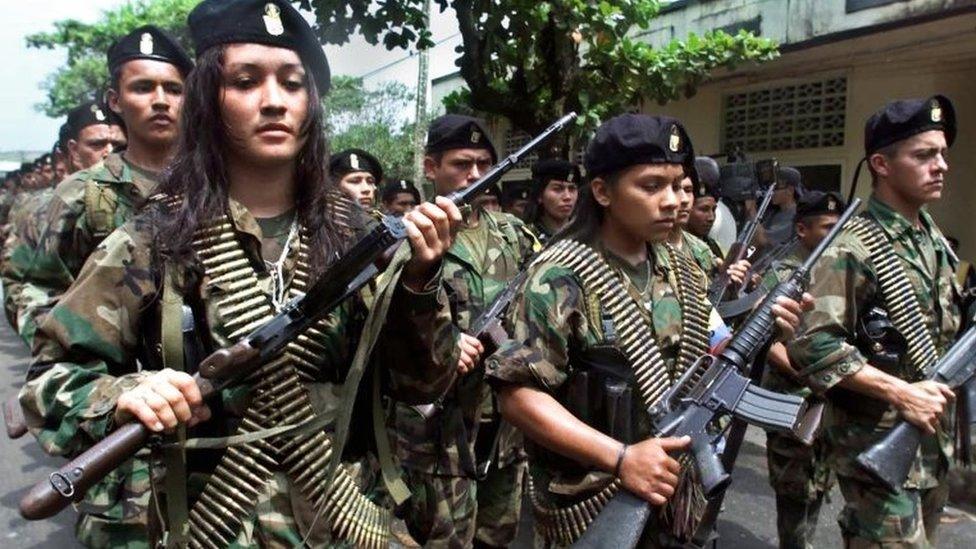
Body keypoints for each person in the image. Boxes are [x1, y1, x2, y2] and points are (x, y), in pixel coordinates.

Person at [20, 0, 463, 546]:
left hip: (346, 522)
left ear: (312, 104)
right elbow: (50, 380)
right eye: (246, 81)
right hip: (214, 524)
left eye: (293, 83)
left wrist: (421, 283)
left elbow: (425, 384)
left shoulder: (365, 237)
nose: (274, 101)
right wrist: (129, 392)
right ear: (209, 99)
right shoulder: (155, 239)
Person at [485, 113, 809, 546]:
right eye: (651, 186)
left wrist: (768, 331)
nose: (673, 200)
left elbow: (704, 357)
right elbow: (518, 396)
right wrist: (621, 458)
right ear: (602, 191)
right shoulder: (560, 276)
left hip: (673, 497)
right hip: (593, 506)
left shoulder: (682, 269)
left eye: (677, 184)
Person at [789, 95, 962, 547]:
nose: (940, 165)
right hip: (877, 443)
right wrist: (901, 392)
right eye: (923, 155)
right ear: (881, 164)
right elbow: (813, 344)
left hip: (929, 443)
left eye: (942, 153)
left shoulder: (932, 239)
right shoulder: (855, 246)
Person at [390, 113, 537, 547]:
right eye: (460, 163)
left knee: (497, 535)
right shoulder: (406, 238)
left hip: (504, 422)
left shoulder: (513, 234)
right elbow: (386, 331)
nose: (474, 175)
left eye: (482, 164)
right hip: (439, 433)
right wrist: (449, 343)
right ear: (431, 167)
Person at [12, 26, 192, 347]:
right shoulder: (81, 193)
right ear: (115, 100)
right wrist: (73, 359)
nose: (161, 101)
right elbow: (36, 290)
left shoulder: (212, 186)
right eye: (143, 88)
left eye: (174, 89)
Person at [762, 190, 844, 549]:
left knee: (819, 486)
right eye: (828, 227)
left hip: (830, 402)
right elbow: (767, 344)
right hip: (793, 401)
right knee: (794, 494)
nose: (837, 233)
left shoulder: (839, 272)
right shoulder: (782, 276)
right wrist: (808, 376)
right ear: (801, 230)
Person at [524, 158, 580, 242]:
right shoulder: (526, 237)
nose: (567, 197)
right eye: (558, 189)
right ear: (540, 195)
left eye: (572, 189)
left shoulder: (586, 235)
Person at [64, 100, 127, 173]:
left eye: (118, 145)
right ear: (75, 150)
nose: (110, 152)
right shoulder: (69, 184)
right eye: (97, 145)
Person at [687, 156, 726, 259]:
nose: (711, 218)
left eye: (713, 210)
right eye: (704, 209)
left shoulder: (713, 247)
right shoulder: (673, 248)